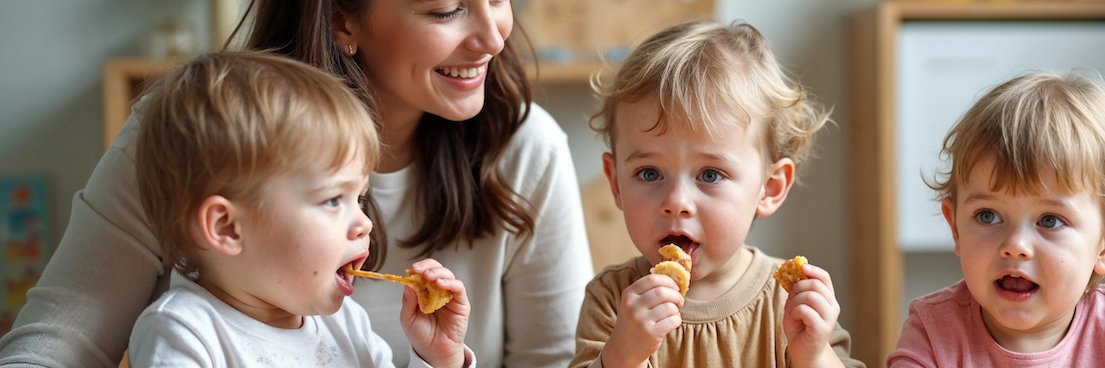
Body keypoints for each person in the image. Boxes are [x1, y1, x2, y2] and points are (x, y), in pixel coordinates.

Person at [0, 1, 592, 367]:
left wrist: (435, 360)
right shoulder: (189, 138)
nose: (495, 35)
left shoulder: (343, 320)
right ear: (341, 19)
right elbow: (56, 346)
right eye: (444, 9)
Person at [126, 50, 472, 367]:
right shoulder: (186, 333)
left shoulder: (346, 324)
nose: (365, 224)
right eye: (334, 200)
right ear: (227, 228)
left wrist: (438, 358)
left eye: (360, 199)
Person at [569, 20, 864, 368]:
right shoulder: (612, 301)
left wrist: (813, 354)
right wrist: (621, 356)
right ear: (616, 183)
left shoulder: (788, 302)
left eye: (710, 174)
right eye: (649, 173)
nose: (676, 201)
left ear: (770, 187)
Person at [886, 72, 1105, 367]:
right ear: (955, 229)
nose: (1015, 245)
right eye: (988, 216)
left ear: (1102, 246)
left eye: (1050, 220)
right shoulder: (934, 330)